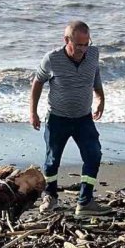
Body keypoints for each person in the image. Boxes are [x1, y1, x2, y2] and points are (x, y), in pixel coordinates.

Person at [30, 20, 111, 216]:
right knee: (52, 159)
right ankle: (50, 197)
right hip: (58, 118)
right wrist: (33, 112)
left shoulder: (93, 54)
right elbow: (37, 83)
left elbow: (95, 75)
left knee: (94, 155)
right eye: (79, 44)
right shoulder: (52, 59)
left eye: (86, 44)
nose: (83, 49)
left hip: (84, 118)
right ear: (67, 40)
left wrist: (101, 98)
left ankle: (85, 201)